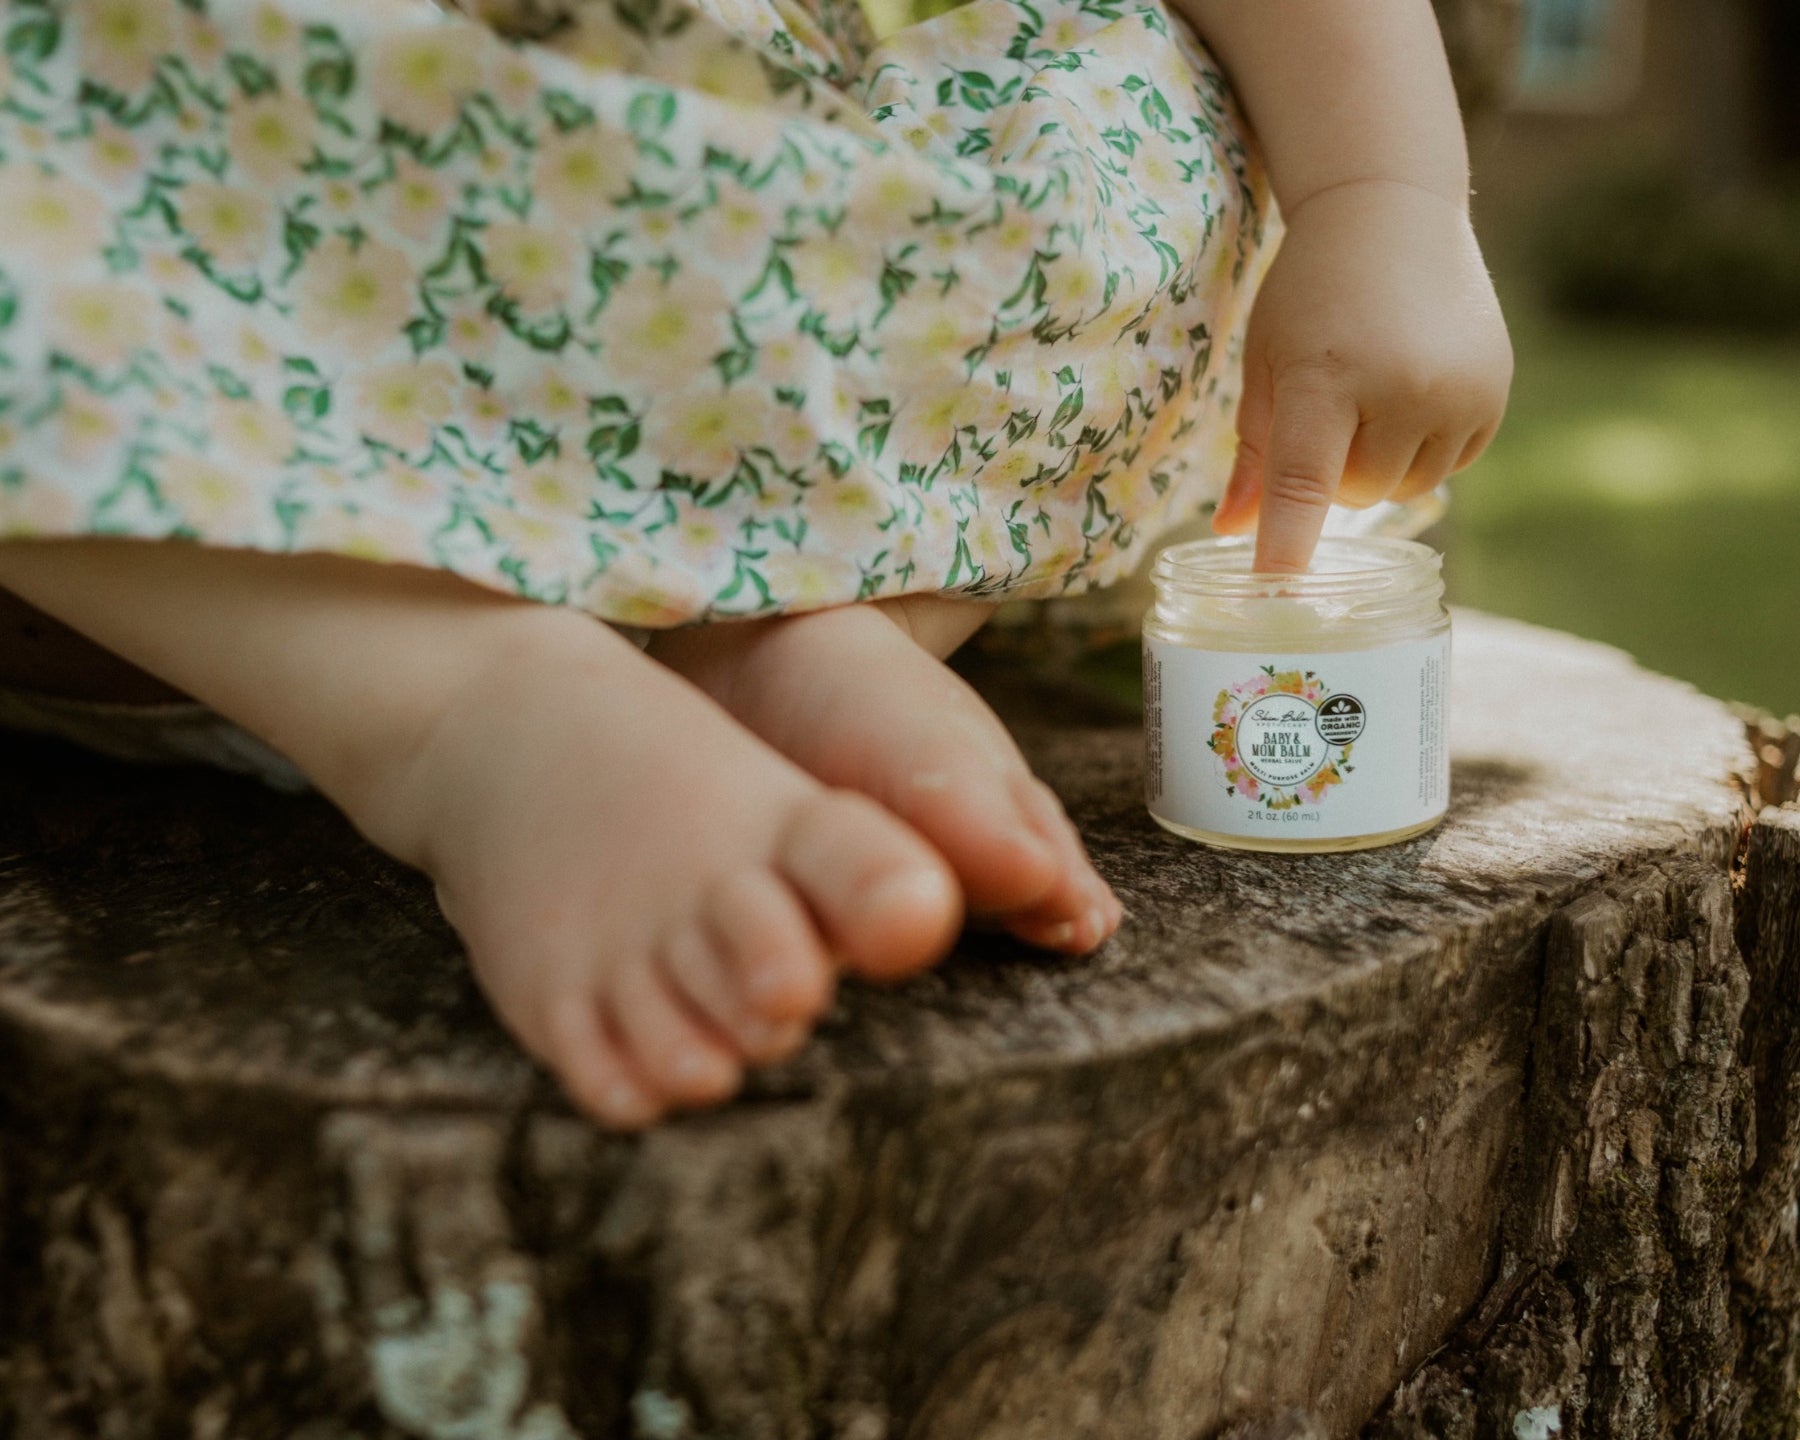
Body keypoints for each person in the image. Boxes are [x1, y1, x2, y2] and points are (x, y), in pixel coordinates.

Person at [0, 0, 1510, 1127]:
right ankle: (462, 704)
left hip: (737, 269)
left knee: (1142, 98)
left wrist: (1383, 192)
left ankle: (804, 618)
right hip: (186, 388)